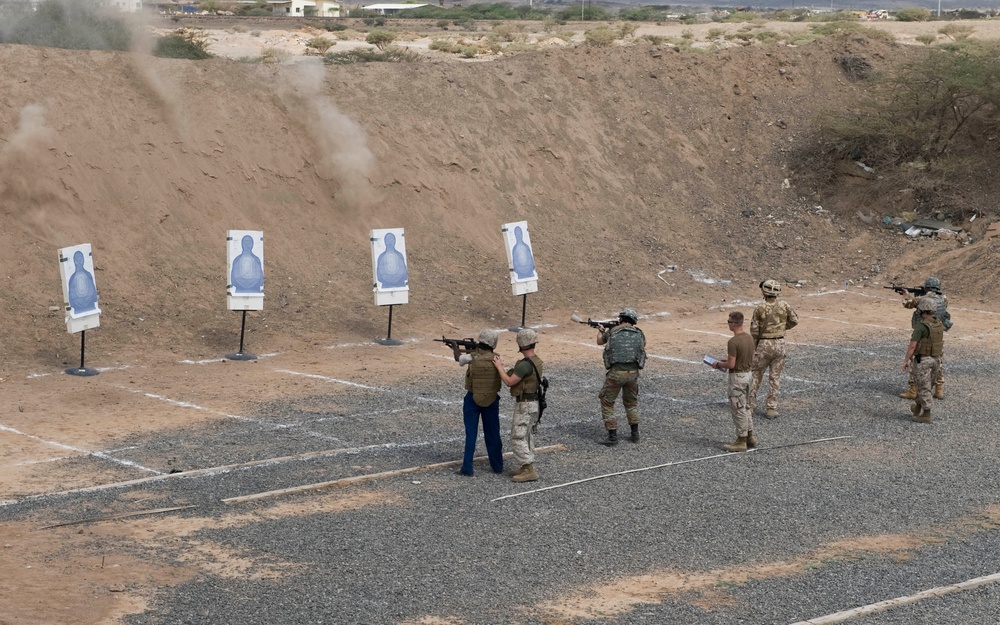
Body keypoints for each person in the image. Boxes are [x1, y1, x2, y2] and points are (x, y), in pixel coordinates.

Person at [493, 328, 544, 483]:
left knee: (517, 436)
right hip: (534, 403)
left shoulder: (524, 365)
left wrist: (499, 367)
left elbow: (509, 382)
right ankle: (526, 465)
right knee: (527, 435)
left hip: (525, 405)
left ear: (521, 345)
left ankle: (528, 467)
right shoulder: (536, 361)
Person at [452, 329, 504, 477]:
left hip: (473, 398)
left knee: (471, 434)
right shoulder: (497, 358)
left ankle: (467, 467)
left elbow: (459, 359)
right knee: (493, 434)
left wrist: (455, 347)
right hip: (492, 399)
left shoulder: (472, 357)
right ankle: (497, 466)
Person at [750, 279, 799, 419]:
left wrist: (753, 348)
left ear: (764, 292)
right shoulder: (784, 305)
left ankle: (750, 405)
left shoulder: (759, 308)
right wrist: (782, 328)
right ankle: (771, 408)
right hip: (780, 343)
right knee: (775, 377)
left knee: (756, 375)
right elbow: (794, 320)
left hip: (764, 344)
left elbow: (754, 331)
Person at [597, 307, 646, 446]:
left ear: (622, 319)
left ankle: (612, 436)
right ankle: (635, 434)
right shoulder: (639, 333)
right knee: (631, 403)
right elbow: (643, 346)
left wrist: (601, 330)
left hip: (616, 373)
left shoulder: (613, 331)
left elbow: (600, 341)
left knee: (607, 402)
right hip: (633, 374)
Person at [899, 276, 952, 400]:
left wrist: (906, 294)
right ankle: (939, 389)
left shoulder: (923, 299)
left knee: (917, 359)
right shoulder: (944, 298)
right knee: (938, 359)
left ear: (927, 287)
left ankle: (913, 389)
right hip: (938, 331)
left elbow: (908, 303)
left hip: (924, 331)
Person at [711, 311, 757, 452]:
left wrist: (718, 364)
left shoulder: (733, 342)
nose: (728, 324)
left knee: (738, 409)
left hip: (737, 378)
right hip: (748, 375)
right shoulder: (749, 338)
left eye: (729, 321)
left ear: (734, 324)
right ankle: (750, 436)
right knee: (747, 407)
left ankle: (741, 440)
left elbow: (731, 365)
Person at [902, 297, 944, 423]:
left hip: (923, 360)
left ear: (922, 310)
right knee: (927, 385)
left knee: (922, 386)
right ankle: (918, 407)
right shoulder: (938, 323)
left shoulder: (921, 326)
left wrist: (906, 360)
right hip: (936, 360)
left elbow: (913, 345)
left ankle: (926, 413)